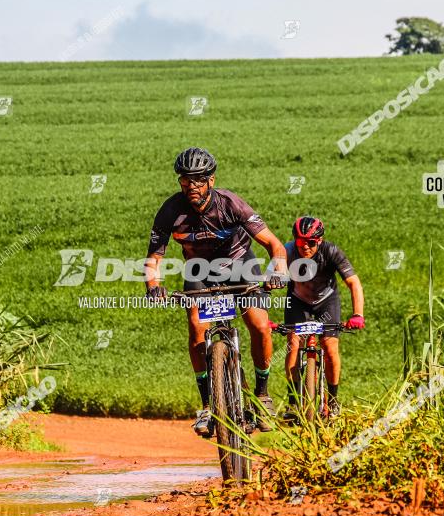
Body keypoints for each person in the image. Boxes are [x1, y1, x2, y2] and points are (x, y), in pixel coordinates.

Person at [144, 147, 288, 436]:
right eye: (186, 180)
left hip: (240, 266)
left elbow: (274, 245)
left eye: (198, 180)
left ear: (211, 180)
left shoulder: (231, 204)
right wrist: (153, 286)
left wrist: (278, 271)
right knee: (197, 328)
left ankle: (262, 393)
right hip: (199, 271)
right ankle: (208, 404)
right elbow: (153, 259)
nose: (191, 186)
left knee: (260, 326)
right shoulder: (171, 210)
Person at [282, 216, 364, 420]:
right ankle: (293, 403)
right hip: (298, 300)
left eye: (311, 243)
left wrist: (357, 314)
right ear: (295, 240)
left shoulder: (331, 251)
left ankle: (333, 401)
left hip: (326, 301)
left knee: (330, 347)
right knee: (293, 344)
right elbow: (269, 281)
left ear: (319, 241)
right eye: (301, 242)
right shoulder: (287, 252)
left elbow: (354, 283)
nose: (306, 247)